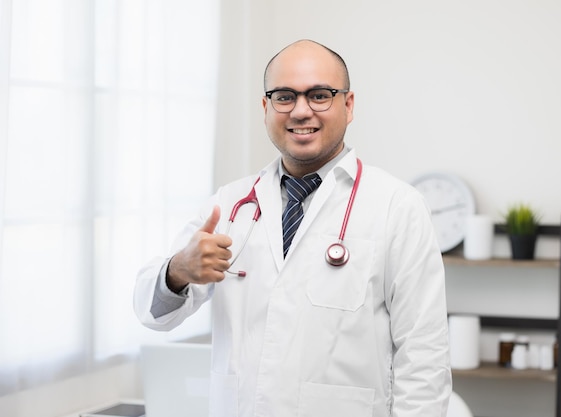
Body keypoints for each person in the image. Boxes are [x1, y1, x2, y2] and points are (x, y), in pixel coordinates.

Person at [134, 39, 451, 417]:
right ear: (265, 107)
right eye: (284, 97)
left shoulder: (397, 207)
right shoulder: (229, 206)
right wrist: (178, 271)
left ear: (348, 106)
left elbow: (424, 355)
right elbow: (153, 315)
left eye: (320, 95)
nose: (301, 111)